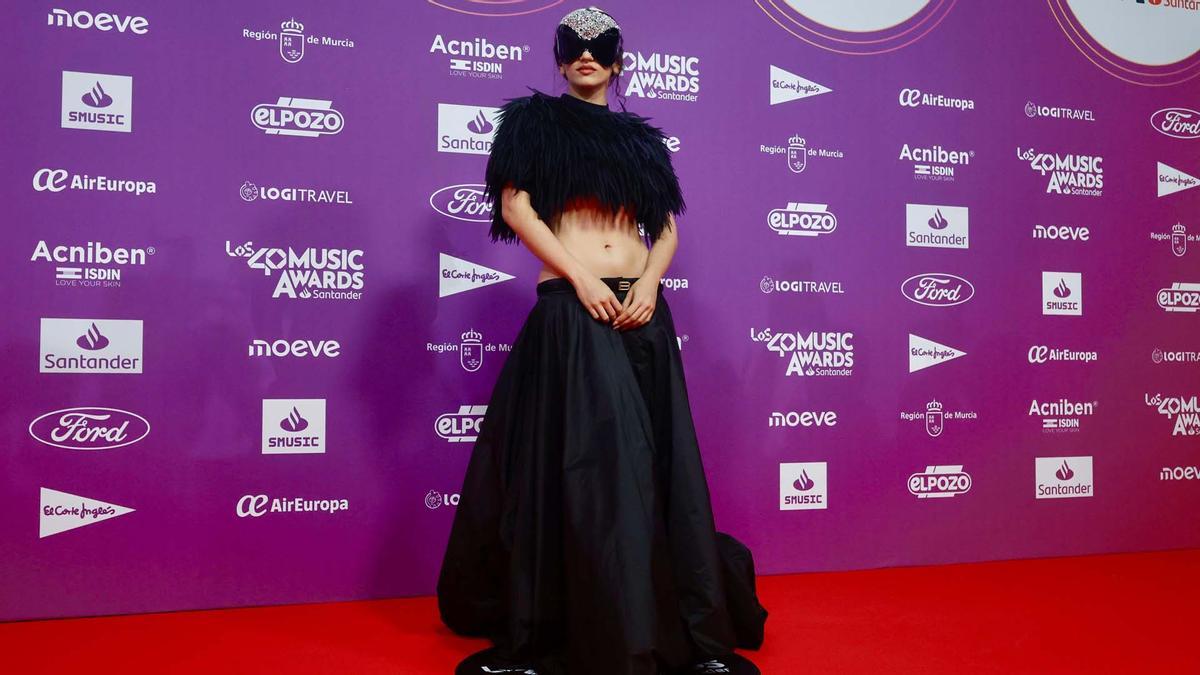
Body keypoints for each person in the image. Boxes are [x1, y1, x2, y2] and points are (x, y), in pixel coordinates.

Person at [437, 7, 768, 675]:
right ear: (561, 60)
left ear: (618, 62)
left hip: (641, 311)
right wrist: (581, 276)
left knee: (655, 466)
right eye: (574, 46)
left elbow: (665, 228)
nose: (587, 55)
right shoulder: (533, 122)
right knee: (597, 469)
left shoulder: (641, 142)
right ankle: (596, 624)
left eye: (601, 46)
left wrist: (648, 283)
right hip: (572, 306)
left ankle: (666, 619)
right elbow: (516, 207)